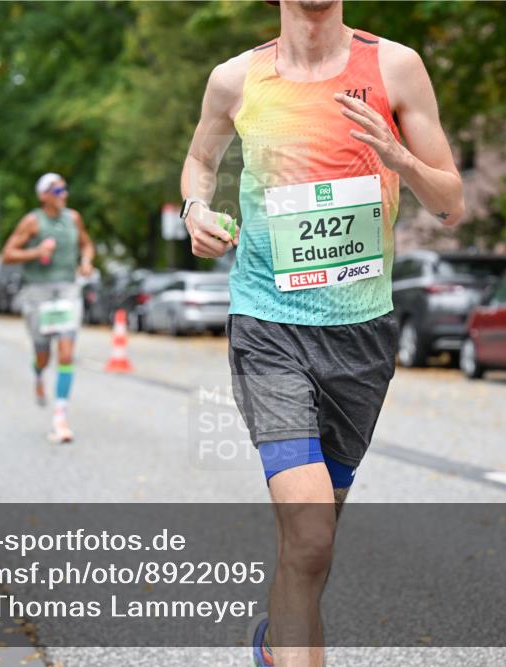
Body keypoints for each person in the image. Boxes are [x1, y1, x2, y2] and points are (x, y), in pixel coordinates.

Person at [179, 1, 464, 664]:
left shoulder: (396, 67)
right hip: (268, 326)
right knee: (308, 534)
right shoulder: (235, 79)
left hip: (361, 336)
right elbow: (199, 159)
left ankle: (274, 647)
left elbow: (450, 204)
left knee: (312, 542)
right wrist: (196, 208)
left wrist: (397, 156)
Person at [2, 172, 95, 443]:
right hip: (38, 292)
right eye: (57, 191)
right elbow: (7, 254)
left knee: (66, 353)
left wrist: (86, 261)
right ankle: (38, 371)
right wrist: (36, 252)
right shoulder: (32, 221)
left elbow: (87, 245)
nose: (63, 194)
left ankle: (60, 418)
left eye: (64, 189)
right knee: (43, 355)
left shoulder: (73, 218)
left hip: (67, 290)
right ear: (43, 196)